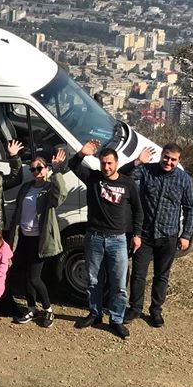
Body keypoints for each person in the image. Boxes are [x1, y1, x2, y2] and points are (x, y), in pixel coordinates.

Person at [68, 140, 143, 339]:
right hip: (94, 238)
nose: (106, 167)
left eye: (110, 163)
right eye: (103, 163)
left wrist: (137, 235)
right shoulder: (93, 178)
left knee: (119, 284)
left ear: (117, 163)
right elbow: (72, 165)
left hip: (118, 240)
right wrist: (81, 153)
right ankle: (95, 313)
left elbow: (138, 210)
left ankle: (116, 319)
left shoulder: (127, 183)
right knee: (94, 281)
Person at [119, 143, 193, 328]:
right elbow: (122, 176)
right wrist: (137, 161)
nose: (168, 162)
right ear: (161, 156)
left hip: (168, 235)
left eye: (173, 159)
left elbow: (190, 209)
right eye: (166, 157)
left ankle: (156, 310)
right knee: (139, 274)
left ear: (179, 160)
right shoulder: (147, 171)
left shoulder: (184, 179)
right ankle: (135, 308)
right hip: (144, 234)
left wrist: (185, 235)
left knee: (162, 275)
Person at [8, 148, 69, 328]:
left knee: (35, 278)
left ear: (46, 169)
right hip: (24, 237)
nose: (37, 172)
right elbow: (18, 212)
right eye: (33, 169)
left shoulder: (50, 188)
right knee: (27, 276)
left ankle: (48, 310)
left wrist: (57, 170)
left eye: (40, 168)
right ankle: (31, 307)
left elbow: (61, 196)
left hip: (39, 239)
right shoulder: (26, 187)